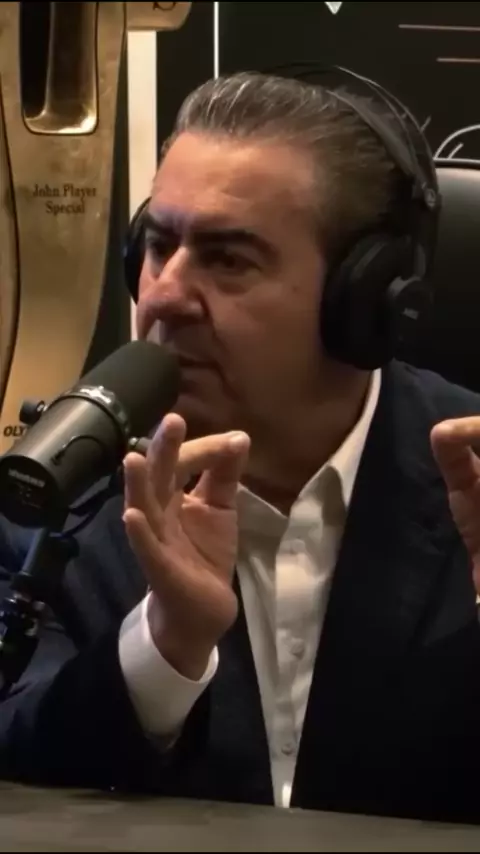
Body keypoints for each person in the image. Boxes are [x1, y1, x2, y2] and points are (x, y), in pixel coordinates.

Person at [1, 70, 480, 825]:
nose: (162, 295)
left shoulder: (471, 478)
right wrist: (164, 646)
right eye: (158, 245)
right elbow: (17, 757)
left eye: (228, 259)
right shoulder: (61, 489)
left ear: (367, 298)